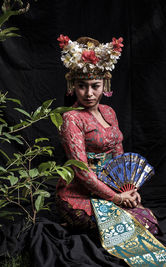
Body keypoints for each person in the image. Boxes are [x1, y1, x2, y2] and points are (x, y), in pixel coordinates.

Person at [55, 35, 160, 236]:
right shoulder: (71, 118)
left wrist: (127, 190)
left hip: (110, 189)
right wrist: (117, 199)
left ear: (105, 85)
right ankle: (72, 220)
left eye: (95, 86)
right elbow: (82, 172)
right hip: (77, 194)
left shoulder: (109, 112)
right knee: (129, 226)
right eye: (82, 86)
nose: (88, 93)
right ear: (73, 86)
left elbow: (119, 161)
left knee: (147, 219)